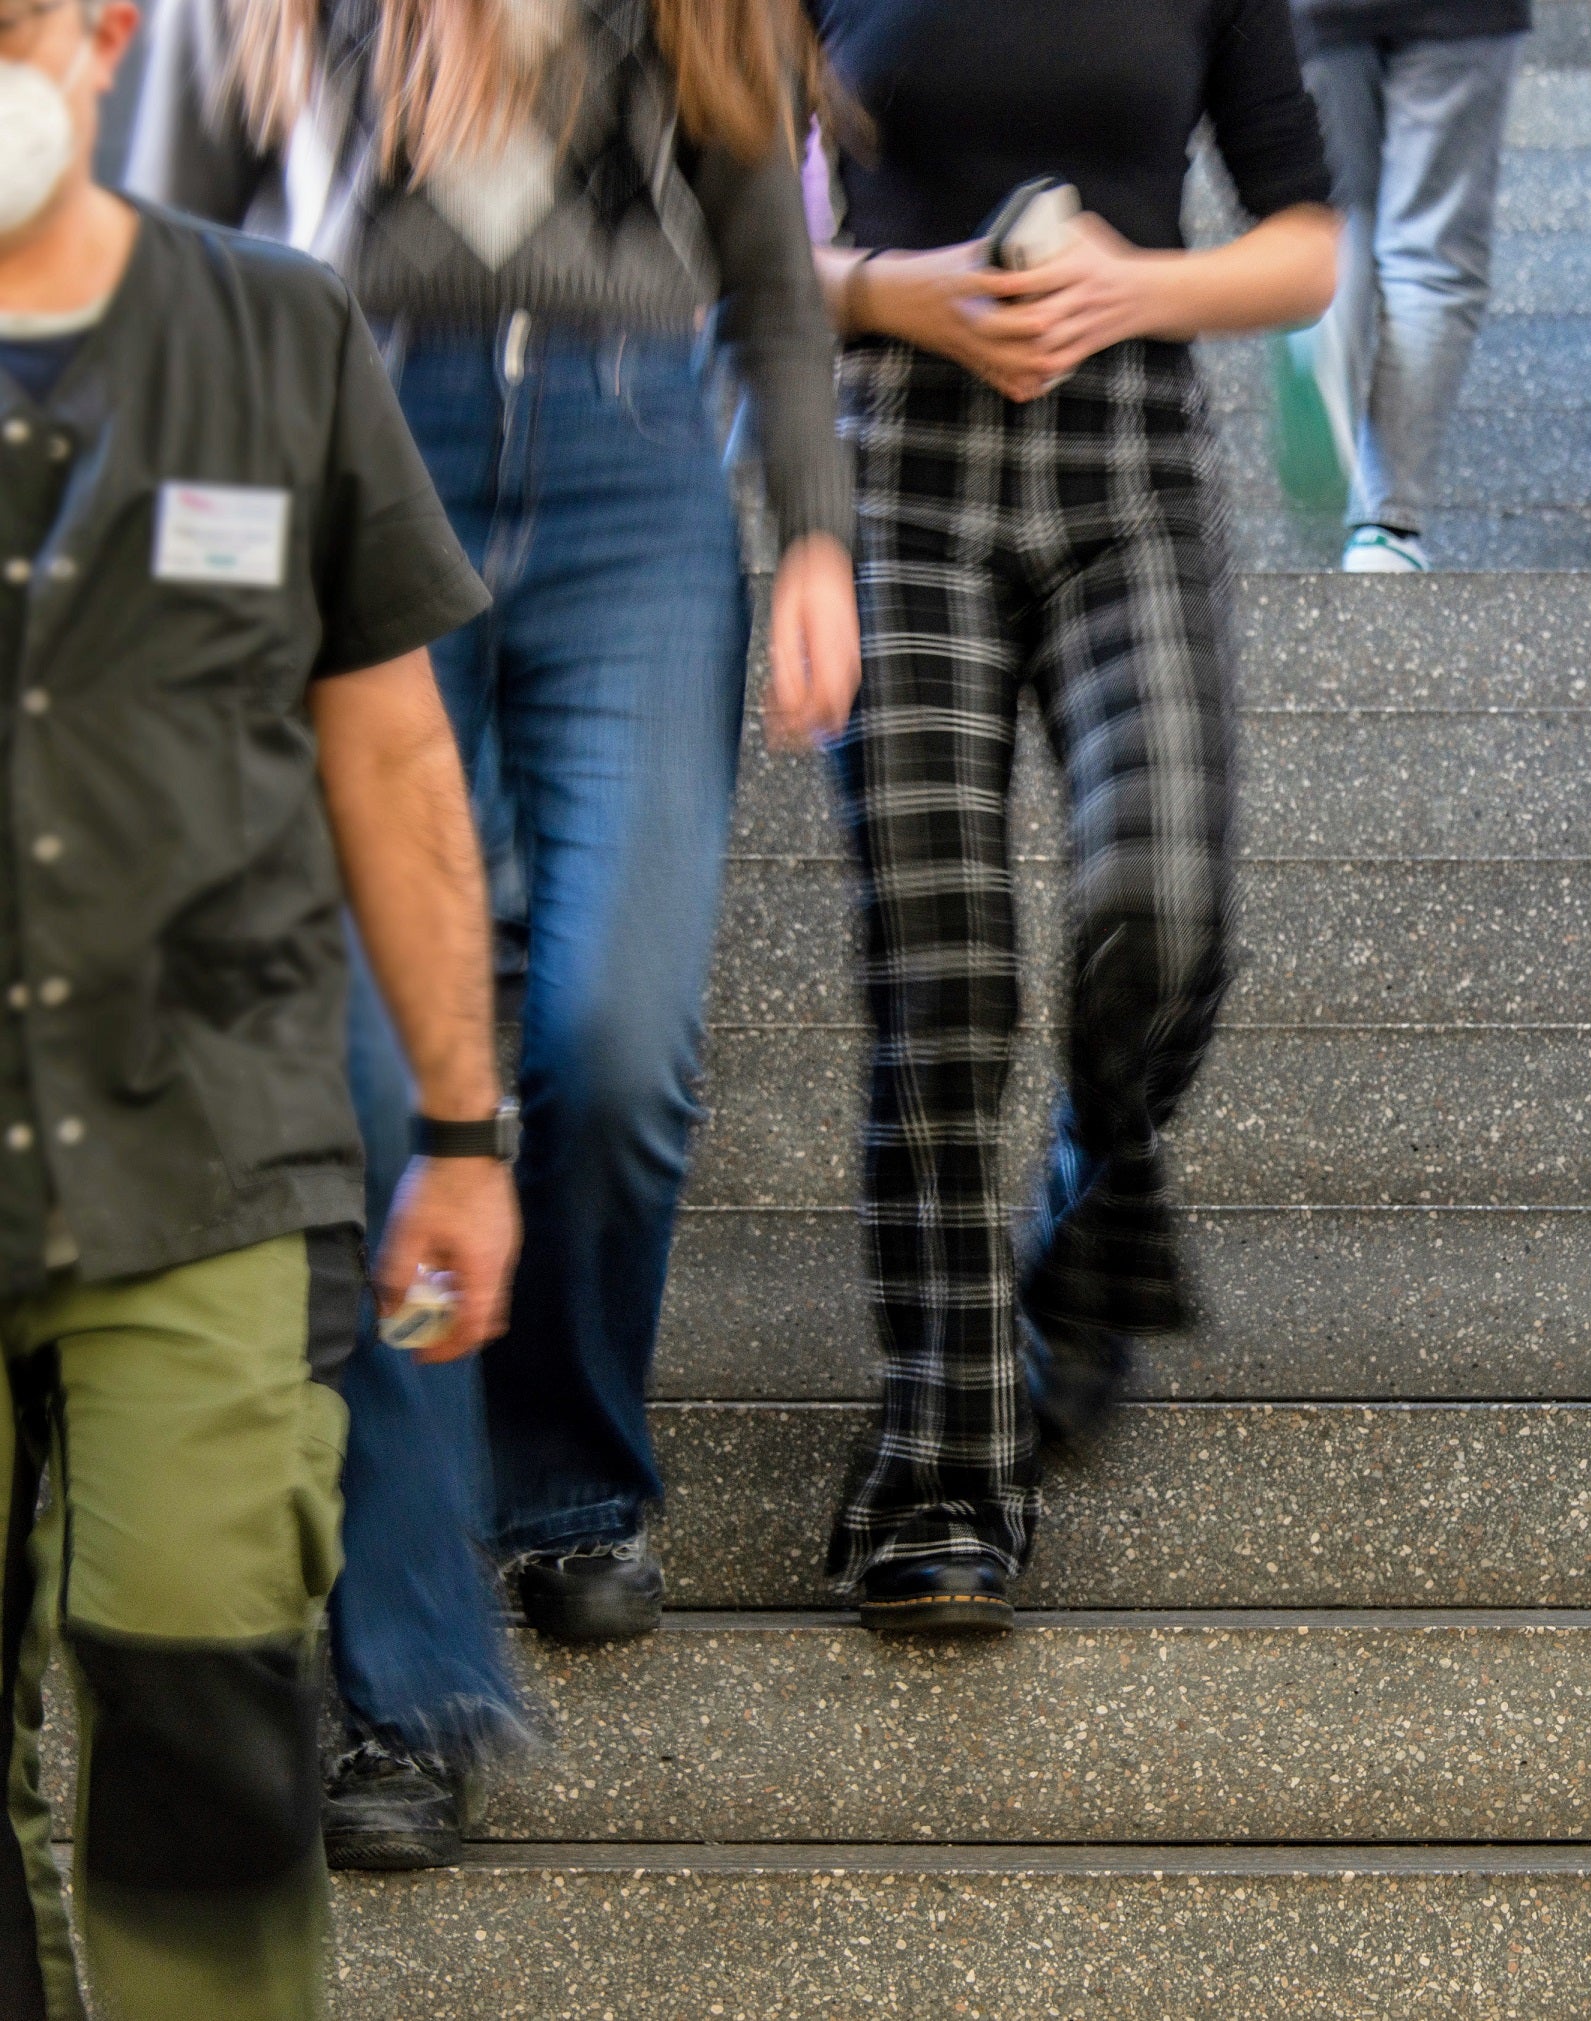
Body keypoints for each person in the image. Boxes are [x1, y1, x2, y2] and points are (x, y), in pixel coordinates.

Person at [130, 0, 862, 1867]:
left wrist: (812, 535)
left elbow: (770, 274)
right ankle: (406, 1670)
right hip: (354, 462)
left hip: (632, 482)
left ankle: (569, 1475)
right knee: (383, 1104)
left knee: (613, 1041)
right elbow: (165, 282)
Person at [0, 0, 516, 2005]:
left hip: (206, 1157)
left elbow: (393, 762)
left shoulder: (275, 338)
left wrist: (462, 1131)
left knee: (209, 1719)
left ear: (97, 37)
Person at [803, 0, 1337, 1630]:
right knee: (943, 974)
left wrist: (1138, 286)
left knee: (1161, 911)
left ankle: (1086, 1198)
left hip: (1129, 466)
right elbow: (725, 236)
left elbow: (1309, 245)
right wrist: (894, 292)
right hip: (896, 454)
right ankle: (942, 1477)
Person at [1290, 0, 1525, 573]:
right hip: (1462, 19)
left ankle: (1323, 330)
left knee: (1334, 216)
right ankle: (1385, 529)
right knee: (1432, 251)